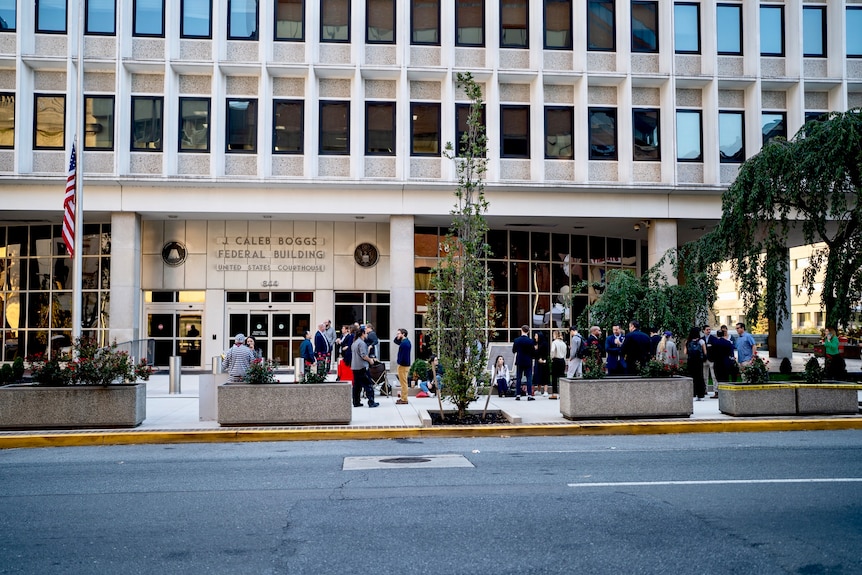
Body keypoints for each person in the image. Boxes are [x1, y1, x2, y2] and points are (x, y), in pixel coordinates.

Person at [350, 326, 378, 408]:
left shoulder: (354, 342)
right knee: (368, 384)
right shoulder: (362, 343)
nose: (367, 334)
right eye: (365, 333)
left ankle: (356, 402)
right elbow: (363, 356)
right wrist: (370, 360)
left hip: (355, 366)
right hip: (362, 367)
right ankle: (371, 402)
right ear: (362, 334)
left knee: (357, 386)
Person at [709, 329, 736, 397]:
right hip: (726, 362)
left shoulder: (714, 343)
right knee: (726, 377)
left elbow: (711, 353)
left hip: (717, 362)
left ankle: (720, 393)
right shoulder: (728, 343)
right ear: (723, 334)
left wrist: (711, 359)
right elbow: (731, 353)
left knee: (718, 378)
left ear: (717, 335)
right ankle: (726, 393)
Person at [512, 325, 535, 401]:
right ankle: (529, 395)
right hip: (528, 361)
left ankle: (518, 394)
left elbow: (514, 350)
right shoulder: (531, 341)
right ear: (528, 331)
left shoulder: (516, 340)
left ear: (521, 330)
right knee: (529, 378)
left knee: (518, 378)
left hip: (519, 360)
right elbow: (533, 352)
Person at [685, 327, 707, 400]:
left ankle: (693, 393)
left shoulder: (687, 341)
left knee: (692, 377)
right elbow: (705, 352)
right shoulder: (701, 341)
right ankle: (700, 394)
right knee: (700, 377)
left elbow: (685, 352)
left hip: (691, 361)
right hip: (699, 362)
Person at [394, 328, 412, 405]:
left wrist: (400, 363)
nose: (397, 335)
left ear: (403, 334)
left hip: (403, 365)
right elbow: (395, 341)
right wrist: (398, 337)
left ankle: (404, 399)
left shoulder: (405, 344)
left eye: (398, 333)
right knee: (403, 382)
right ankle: (403, 398)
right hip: (404, 365)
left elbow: (404, 356)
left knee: (403, 383)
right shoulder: (404, 341)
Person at [702, 325, 719, 393]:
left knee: (713, 376)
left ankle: (716, 390)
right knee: (704, 376)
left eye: (709, 329)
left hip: (712, 359)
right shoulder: (701, 339)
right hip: (704, 360)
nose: (708, 331)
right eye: (707, 330)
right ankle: (704, 390)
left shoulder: (714, 339)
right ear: (703, 331)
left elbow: (716, 349)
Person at [549, 330, 566, 399]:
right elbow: (565, 353)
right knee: (562, 377)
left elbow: (552, 350)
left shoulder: (554, 342)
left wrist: (551, 357)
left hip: (556, 360)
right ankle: (562, 393)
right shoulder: (563, 343)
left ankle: (555, 393)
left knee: (554, 377)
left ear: (555, 335)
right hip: (562, 360)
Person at [534, 331, 550, 396]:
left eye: (536, 336)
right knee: (539, 376)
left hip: (544, 362)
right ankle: (539, 390)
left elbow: (546, 353)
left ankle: (546, 391)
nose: (535, 337)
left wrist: (543, 359)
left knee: (545, 376)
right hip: (538, 362)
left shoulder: (544, 344)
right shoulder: (537, 344)